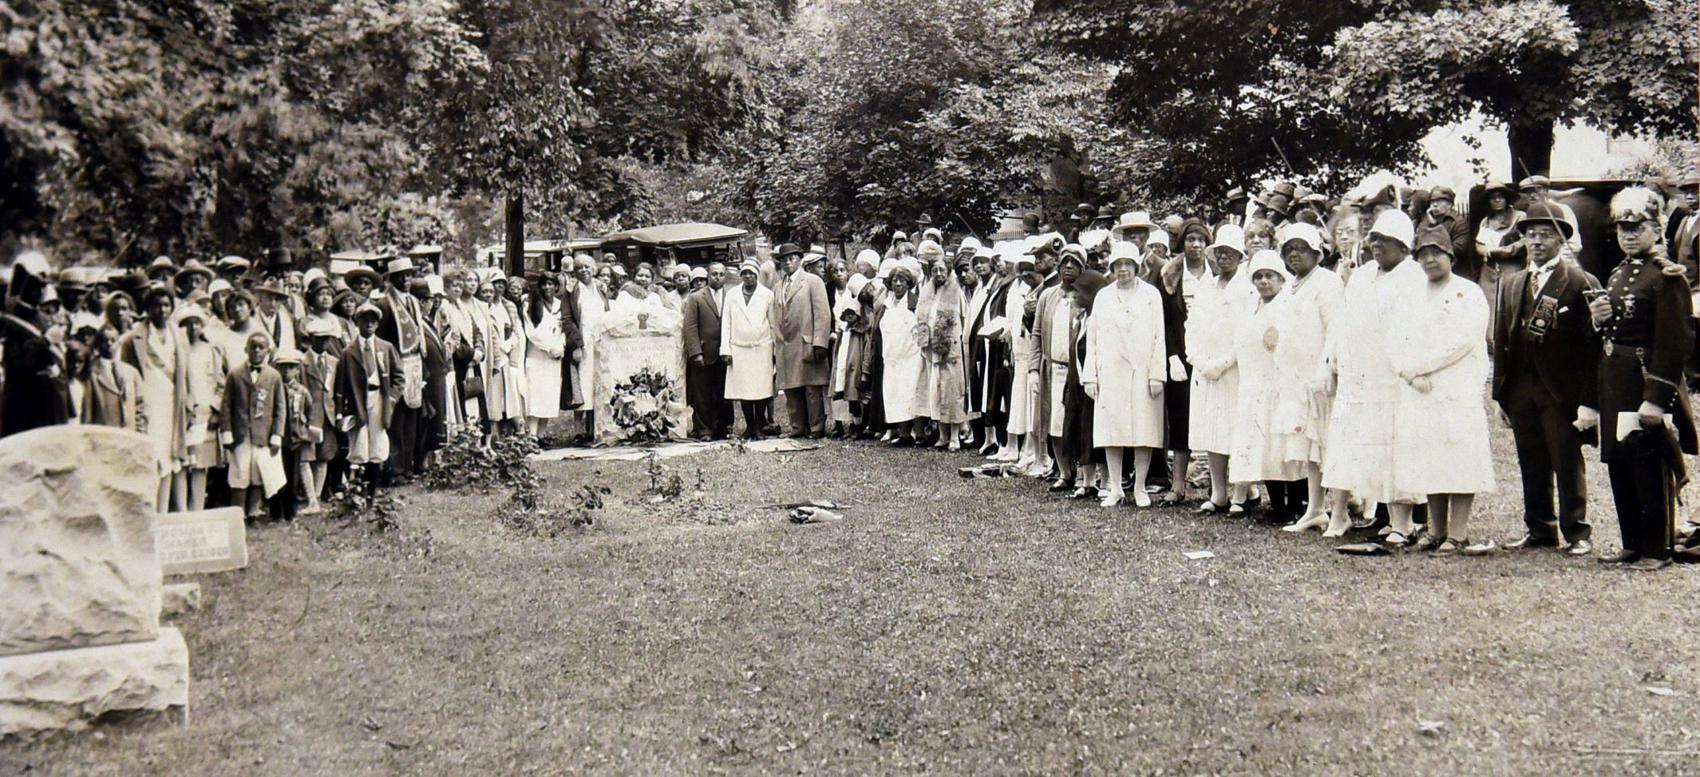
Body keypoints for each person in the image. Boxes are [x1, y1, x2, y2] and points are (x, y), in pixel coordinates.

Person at [1578, 186, 1697, 569]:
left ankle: (1656, 547)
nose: (1628, 234)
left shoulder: (1666, 277)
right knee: (1620, 461)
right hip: (1615, 378)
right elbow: (1609, 334)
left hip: (1645, 378)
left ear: (1657, 228)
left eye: (1637, 227)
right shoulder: (1618, 273)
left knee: (1648, 462)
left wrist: (1656, 398)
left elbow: (1674, 343)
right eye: (1622, 228)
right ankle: (1632, 542)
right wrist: (1597, 320)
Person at [1491, 201, 1601, 554]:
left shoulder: (1580, 281)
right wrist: (1501, 396)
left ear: (1561, 239)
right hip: (1522, 388)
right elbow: (1502, 341)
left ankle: (1577, 532)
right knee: (1530, 459)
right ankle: (1539, 528)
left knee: (1566, 460)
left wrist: (1589, 400)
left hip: (1560, 390)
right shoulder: (1511, 283)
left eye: (1545, 234)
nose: (1536, 241)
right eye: (1530, 234)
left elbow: (1593, 347)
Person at [1320, 209, 1427, 543]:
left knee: (1393, 445)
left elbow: (1409, 330)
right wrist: (1334, 359)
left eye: (1386, 240)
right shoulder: (1363, 275)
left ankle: (1401, 522)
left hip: (1391, 377)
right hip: (1357, 374)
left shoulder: (1414, 277)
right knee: (1346, 440)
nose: (1377, 246)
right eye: (1375, 239)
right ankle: (1338, 516)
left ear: (1404, 246)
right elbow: (1343, 319)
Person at [1389, 234, 1496, 554]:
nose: (1430, 260)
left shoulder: (1469, 291)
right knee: (1429, 457)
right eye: (1423, 255)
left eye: (1437, 253)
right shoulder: (1410, 295)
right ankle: (1436, 530)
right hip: (1419, 389)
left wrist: (1424, 368)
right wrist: (1408, 372)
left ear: (1451, 255)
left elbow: (1464, 340)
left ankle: (1458, 533)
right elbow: (1395, 337)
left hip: (1455, 386)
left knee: (1459, 458)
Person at [1268, 223, 1345, 533]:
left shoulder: (1328, 283)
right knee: (1310, 446)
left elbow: (1336, 328)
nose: (1294, 254)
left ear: (1317, 252)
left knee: (1332, 444)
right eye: (1289, 249)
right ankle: (1315, 509)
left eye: (1301, 248)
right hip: (1296, 379)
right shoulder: (1289, 286)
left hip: (1322, 377)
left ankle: (1339, 512)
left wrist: (1327, 368)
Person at [1083, 241, 1166, 508]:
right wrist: (1090, 376)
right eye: (1118, 265)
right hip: (1111, 371)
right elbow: (1092, 338)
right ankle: (1116, 487)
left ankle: (1140, 487)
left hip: (1143, 371)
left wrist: (1157, 374)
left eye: (1128, 264)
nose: (1123, 270)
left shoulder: (1151, 295)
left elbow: (1158, 337)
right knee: (1112, 429)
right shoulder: (1104, 296)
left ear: (1136, 267)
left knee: (1144, 428)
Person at [1227, 251, 1304, 519]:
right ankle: (1278, 506)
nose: (1263, 282)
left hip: (1281, 384)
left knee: (1285, 444)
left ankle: (1295, 504)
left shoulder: (1288, 305)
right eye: (1258, 277)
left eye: (1269, 276)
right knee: (1263, 445)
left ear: (1281, 279)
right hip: (1254, 383)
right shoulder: (1252, 306)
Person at [1188, 224, 1255, 513]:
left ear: (1240, 256)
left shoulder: (1248, 288)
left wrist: (1225, 362)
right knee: (1213, 431)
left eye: (1231, 252)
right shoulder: (1207, 287)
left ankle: (1241, 493)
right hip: (1207, 371)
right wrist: (1200, 361)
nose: (1225, 257)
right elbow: (1192, 327)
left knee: (1237, 430)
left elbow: (1248, 333)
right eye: (1221, 252)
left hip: (1236, 370)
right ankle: (1218, 493)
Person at [116, 286, 188, 511]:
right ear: (148, 308)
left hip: (172, 403)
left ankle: (164, 512)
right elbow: (125, 373)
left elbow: (185, 373)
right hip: (147, 403)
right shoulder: (133, 338)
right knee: (151, 456)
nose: (162, 310)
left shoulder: (179, 335)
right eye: (156, 305)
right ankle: (148, 513)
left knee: (170, 457)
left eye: (166, 305)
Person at [336, 303, 404, 495]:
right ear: (357, 322)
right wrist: (340, 412)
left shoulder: (385, 347)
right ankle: (358, 490)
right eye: (365, 319)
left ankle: (373, 490)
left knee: (378, 442)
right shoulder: (349, 352)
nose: (369, 324)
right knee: (359, 443)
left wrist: (391, 398)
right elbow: (340, 386)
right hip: (359, 400)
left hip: (380, 399)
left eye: (373, 320)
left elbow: (399, 376)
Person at [2, 252, 73, 437]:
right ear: (23, 287)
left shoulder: (44, 318)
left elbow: (58, 360)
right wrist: (46, 341)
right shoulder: (10, 322)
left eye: (43, 286)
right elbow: (17, 365)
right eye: (35, 286)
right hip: (27, 405)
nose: (41, 291)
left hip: (53, 402)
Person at [221, 332, 287, 521]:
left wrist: (277, 435)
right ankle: (238, 513)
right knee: (240, 471)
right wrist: (226, 432)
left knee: (259, 472)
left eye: (261, 347)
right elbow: (226, 406)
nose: (257, 350)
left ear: (268, 351)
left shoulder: (273, 376)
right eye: (253, 346)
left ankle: (253, 511)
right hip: (240, 433)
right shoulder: (235, 374)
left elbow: (279, 408)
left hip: (263, 434)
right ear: (246, 349)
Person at [771, 243, 833, 438]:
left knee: (812, 388)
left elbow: (823, 314)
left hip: (806, 340)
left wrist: (820, 342)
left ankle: (816, 427)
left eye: (792, 258)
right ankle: (797, 427)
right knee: (791, 388)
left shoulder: (812, 281)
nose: (788, 262)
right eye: (784, 259)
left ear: (799, 260)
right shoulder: (778, 286)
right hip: (785, 342)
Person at [915, 258, 969, 450]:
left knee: (952, 391)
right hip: (932, 350)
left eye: (942, 270)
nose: (938, 274)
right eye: (935, 270)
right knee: (937, 391)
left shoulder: (957, 293)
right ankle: (943, 434)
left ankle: (955, 435)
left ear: (948, 271)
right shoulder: (927, 293)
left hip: (951, 349)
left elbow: (964, 318)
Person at [178, 306, 228, 511]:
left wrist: (216, 409)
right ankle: (180, 509)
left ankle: (197, 507)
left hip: (205, 414)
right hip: (183, 414)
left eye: (196, 323)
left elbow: (221, 383)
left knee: (201, 466)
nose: (192, 328)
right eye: (188, 324)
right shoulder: (179, 350)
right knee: (183, 464)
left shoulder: (211, 351)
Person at [720, 259, 776, 439]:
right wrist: (725, 350)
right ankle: (749, 426)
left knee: (761, 389)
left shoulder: (767, 294)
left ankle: (759, 426)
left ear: (757, 274)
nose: (748, 276)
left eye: (752, 273)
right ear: (741, 275)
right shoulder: (732, 295)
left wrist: (774, 350)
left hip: (762, 348)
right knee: (743, 390)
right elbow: (726, 324)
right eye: (745, 273)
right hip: (739, 349)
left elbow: (773, 323)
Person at [875, 265, 924, 445]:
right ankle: (904, 434)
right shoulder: (886, 305)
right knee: (895, 394)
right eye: (895, 280)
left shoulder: (914, 303)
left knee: (911, 393)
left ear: (908, 283)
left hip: (911, 357)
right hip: (892, 358)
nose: (898, 284)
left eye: (902, 280)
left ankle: (919, 434)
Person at [682, 262, 731, 440]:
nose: (717, 277)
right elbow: (690, 326)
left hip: (725, 352)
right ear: (708, 276)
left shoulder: (731, 295)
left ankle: (724, 427)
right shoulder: (696, 297)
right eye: (714, 274)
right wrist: (695, 352)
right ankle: (704, 429)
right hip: (704, 351)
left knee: (724, 393)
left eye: (721, 274)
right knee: (702, 394)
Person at [300, 318, 342, 513]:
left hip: (328, 414)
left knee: (324, 456)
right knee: (306, 456)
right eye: (320, 339)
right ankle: (310, 498)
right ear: (311, 340)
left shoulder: (334, 362)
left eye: (327, 339)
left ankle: (316, 498)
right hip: (309, 416)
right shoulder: (302, 363)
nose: (325, 343)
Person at [523, 271, 567, 438]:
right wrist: (549, 348)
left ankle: (542, 436)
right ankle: (532, 435)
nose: (547, 287)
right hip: (537, 356)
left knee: (549, 395)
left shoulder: (559, 304)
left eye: (551, 284)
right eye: (544, 284)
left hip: (555, 357)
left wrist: (561, 346)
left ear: (556, 286)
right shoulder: (530, 303)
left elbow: (564, 328)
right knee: (535, 395)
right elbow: (531, 332)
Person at [273, 347, 311, 521]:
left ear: (297, 370)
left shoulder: (301, 391)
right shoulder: (275, 389)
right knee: (277, 476)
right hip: (278, 439)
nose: (286, 371)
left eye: (290, 367)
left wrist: (303, 429)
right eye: (283, 367)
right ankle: (276, 512)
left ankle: (291, 511)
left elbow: (309, 411)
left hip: (295, 439)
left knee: (293, 477)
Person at [1474, 180, 1523, 298]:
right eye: (1493, 198)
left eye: (1500, 197)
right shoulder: (1486, 222)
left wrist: (1503, 251)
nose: (1497, 200)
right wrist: (1485, 251)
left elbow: (1524, 241)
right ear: (1488, 202)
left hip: (1512, 267)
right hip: (1490, 270)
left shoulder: (1519, 216)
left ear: (1506, 199)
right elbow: (1479, 244)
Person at [1418, 186, 1473, 278]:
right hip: (1430, 272)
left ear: (1450, 204)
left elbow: (1459, 249)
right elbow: (1417, 243)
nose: (1435, 204)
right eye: (1432, 201)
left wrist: (1435, 227)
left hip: (1456, 273)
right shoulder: (1425, 222)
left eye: (1439, 201)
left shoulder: (1459, 222)